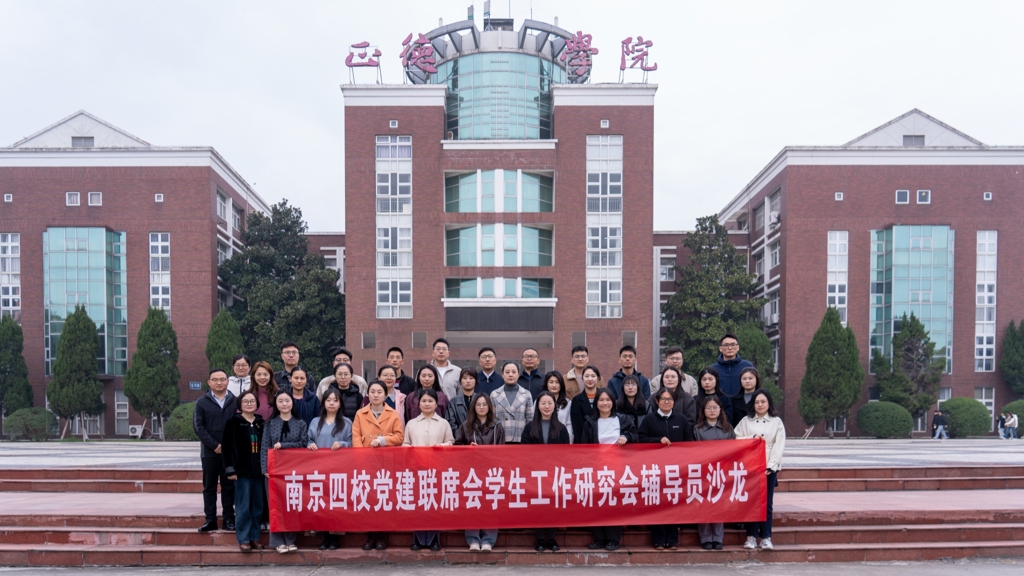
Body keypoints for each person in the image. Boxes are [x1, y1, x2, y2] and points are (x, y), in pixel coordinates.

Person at [578, 389, 637, 551]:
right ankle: (599, 538)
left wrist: (627, 437)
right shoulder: (590, 422)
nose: (605, 403)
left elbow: (636, 436)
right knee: (595, 504)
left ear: (613, 402)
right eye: (601, 400)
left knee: (613, 504)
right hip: (596, 469)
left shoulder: (623, 420)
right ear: (596, 403)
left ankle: (613, 539)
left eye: (608, 400)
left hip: (617, 469)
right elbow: (584, 447)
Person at [352, 380, 405, 550]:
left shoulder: (393, 413)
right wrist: (361, 460)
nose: (376, 395)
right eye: (372, 392)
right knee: (368, 499)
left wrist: (383, 440)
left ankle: (382, 535)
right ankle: (370, 535)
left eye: (379, 392)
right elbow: (356, 438)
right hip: (367, 462)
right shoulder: (360, 414)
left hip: (385, 463)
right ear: (368, 394)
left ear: (385, 394)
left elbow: (399, 437)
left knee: (384, 498)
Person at [638, 387, 693, 550]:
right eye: (663, 399)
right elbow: (641, 439)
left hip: (676, 469)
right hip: (655, 468)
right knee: (658, 503)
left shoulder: (681, 420)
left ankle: (672, 540)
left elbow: (689, 443)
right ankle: (659, 540)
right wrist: (657, 441)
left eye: (670, 399)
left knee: (673, 503)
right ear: (657, 401)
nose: (667, 402)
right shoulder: (649, 419)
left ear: (674, 402)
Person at [735, 389, 786, 551]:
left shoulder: (776, 422)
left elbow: (779, 445)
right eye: (757, 402)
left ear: (769, 403)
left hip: (768, 467)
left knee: (767, 503)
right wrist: (751, 439)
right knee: (751, 503)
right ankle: (751, 536)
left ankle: (766, 537)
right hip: (750, 467)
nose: (760, 405)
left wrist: (772, 465)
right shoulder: (746, 421)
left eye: (763, 401)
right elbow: (735, 438)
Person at [403, 389, 454, 551]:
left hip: (437, 470)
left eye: (430, 401)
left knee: (434, 504)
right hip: (416, 470)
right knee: (418, 505)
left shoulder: (443, 423)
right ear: (418, 404)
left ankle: (434, 539)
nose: (427, 404)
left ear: (436, 404)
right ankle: (417, 539)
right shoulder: (411, 424)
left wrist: (441, 446)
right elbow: (405, 443)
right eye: (424, 401)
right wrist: (410, 449)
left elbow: (451, 442)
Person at [521, 391, 570, 552]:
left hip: (554, 475)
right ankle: (541, 538)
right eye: (543, 403)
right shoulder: (529, 428)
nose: (547, 406)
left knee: (553, 506)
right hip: (535, 475)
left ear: (555, 406)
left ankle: (552, 538)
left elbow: (566, 454)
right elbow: (524, 452)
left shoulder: (561, 429)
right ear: (537, 406)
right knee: (539, 506)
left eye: (550, 403)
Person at [454, 393, 504, 551]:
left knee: (490, 505)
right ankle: (473, 540)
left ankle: (488, 540)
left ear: (489, 407)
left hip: (492, 471)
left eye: (484, 404)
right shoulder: (465, 426)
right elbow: (456, 447)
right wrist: (467, 449)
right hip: (472, 473)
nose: (481, 407)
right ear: (473, 407)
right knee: (472, 504)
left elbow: (503, 451)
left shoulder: (497, 426)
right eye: (478, 404)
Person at [261, 391, 309, 554]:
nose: (284, 404)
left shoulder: (301, 423)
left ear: (292, 402)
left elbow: (303, 444)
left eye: (287, 400)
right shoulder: (270, 424)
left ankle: (290, 540)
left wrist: (284, 445)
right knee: (275, 506)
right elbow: (264, 447)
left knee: (291, 505)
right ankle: (277, 541)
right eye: (280, 401)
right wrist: (265, 468)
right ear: (276, 404)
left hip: (293, 471)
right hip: (274, 471)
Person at [306, 387, 353, 550]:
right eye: (328, 400)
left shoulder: (347, 423)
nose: (331, 403)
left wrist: (342, 444)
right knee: (322, 503)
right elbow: (308, 440)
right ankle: (325, 537)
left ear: (340, 404)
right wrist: (310, 445)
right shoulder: (315, 422)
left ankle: (335, 538)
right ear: (323, 403)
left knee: (336, 503)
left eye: (335, 400)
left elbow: (352, 443)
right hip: (319, 468)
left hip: (339, 469)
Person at [193, 368, 237, 533]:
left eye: (222, 379)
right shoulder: (201, 402)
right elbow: (198, 427)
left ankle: (228, 520)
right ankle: (210, 519)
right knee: (209, 487)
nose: (219, 382)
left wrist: (227, 446)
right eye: (215, 379)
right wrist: (214, 445)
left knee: (228, 487)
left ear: (228, 382)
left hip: (229, 453)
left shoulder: (235, 401)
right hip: (209, 453)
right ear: (209, 382)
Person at [222, 389, 264, 552]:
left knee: (257, 506)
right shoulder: (233, 422)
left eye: (252, 401)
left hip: (259, 472)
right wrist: (230, 470)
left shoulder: (261, 423)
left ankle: (255, 537)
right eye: (245, 401)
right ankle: (244, 539)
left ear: (257, 404)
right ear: (240, 404)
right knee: (243, 506)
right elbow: (227, 448)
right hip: (241, 473)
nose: (249, 404)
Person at [693, 395, 736, 550]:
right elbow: (693, 451)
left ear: (720, 409)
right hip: (704, 472)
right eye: (708, 408)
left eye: (715, 407)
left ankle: (718, 538)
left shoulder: (728, 429)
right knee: (704, 504)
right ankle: (705, 537)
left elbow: (734, 451)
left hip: (722, 472)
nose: (712, 410)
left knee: (719, 504)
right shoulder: (697, 429)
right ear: (703, 411)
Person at [489, 361, 534, 444]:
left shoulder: (526, 394)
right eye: (507, 372)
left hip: (521, 438)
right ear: (502, 375)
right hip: (500, 439)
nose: (510, 375)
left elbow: (530, 420)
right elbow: (491, 419)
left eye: (514, 372)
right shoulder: (494, 394)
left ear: (518, 374)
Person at [569, 366, 603, 439]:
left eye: (593, 376)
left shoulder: (605, 398)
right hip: (584, 440)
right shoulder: (576, 400)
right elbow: (577, 427)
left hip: (603, 439)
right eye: (587, 376)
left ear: (598, 379)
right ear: (582, 379)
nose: (590, 379)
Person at [542, 371, 574, 442]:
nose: (554, 385)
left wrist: (567, 441)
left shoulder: (568, 403)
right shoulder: (539, 401)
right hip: (543, 440)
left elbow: (569, 425)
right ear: (546, 384)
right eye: (551, 382)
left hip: (561, 440)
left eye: (557, 382)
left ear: (561, 384)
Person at [446, 368, 479, 435]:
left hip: (478, 438)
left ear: (476, 381)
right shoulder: (453, 402)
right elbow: (451, 423)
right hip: (459, 438)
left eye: (471, 378)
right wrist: (460, 436)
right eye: (465, 378)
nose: (468, 381)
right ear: (460, 381)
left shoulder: (480, 400)